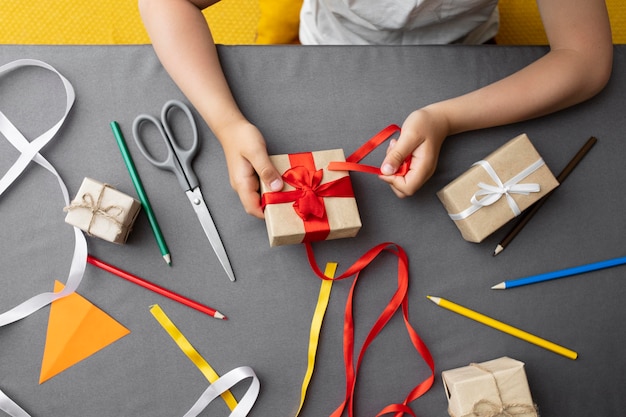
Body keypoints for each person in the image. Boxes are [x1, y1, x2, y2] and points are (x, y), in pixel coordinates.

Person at [138, 0, 613, 219]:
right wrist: (225, 122)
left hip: (469, 57)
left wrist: (448, 117)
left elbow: (586, 61)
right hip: (324, 46)